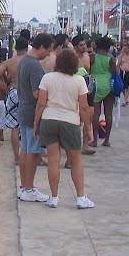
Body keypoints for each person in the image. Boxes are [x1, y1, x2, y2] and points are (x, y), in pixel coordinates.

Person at [33, 47, 95, 209]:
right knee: (75, 161)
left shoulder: (47, 78)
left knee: (53, 160)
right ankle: (81, 197)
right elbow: (83, 107)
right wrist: (88, 128)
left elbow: (41, 103)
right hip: (70, 121)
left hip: (49, 119)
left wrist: (36, 124)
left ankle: (54, 197)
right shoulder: (79, 81)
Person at [16, 33, 54, 202]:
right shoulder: (35, 66)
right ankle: (29, 189)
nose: (49, 54)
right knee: (33, 152)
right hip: (32, 113)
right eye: (49, 50)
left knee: (25, 150)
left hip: (23, 110)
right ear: (43, 47)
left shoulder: (23, 60)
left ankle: (24, 186)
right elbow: (37, 93)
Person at [0, 35, 29, 165]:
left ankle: (17, 158)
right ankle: (28, 156)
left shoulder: (9, 62)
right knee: (28, 125)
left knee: (15, 126)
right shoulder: (30, 61)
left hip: (13, 91)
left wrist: (5, 88)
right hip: (27, 92)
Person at [89, 36, 117, 149]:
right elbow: (114, 73)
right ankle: (107, 140)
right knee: (108, 114)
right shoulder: (111, 59)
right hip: (108, 86)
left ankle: (94, 140)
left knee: (95, 114)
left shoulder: (92, 57)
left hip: (95, 85)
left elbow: (89, 70)